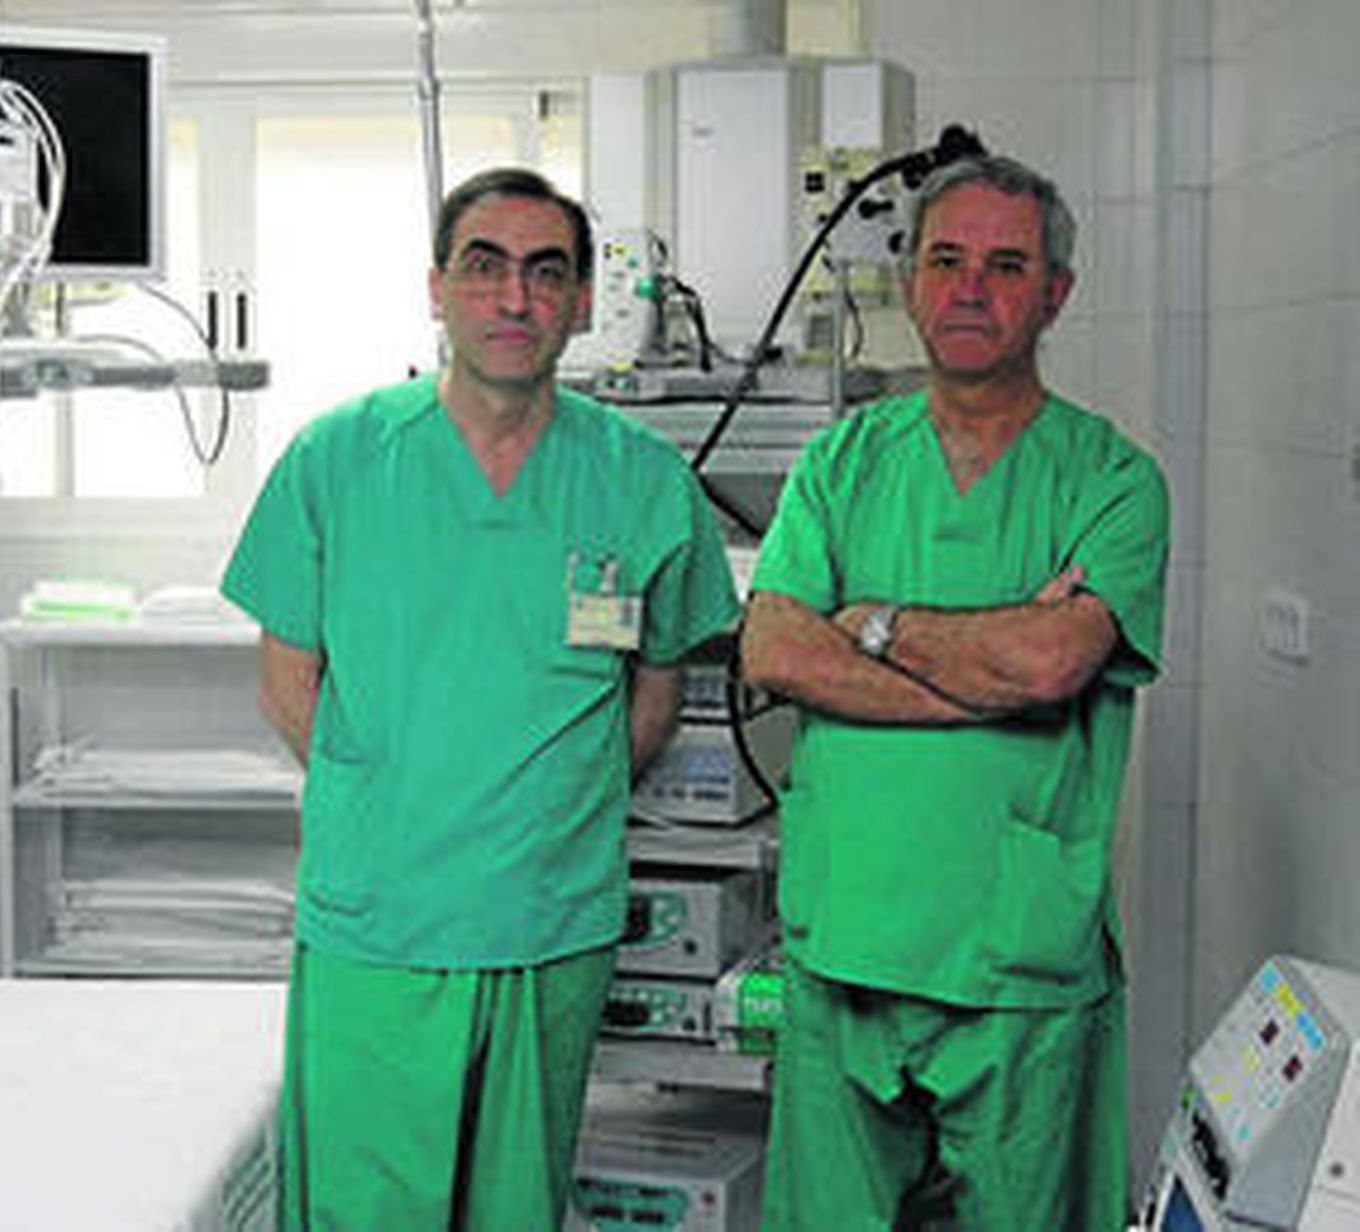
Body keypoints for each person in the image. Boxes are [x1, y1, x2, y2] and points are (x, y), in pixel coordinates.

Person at [220, 166, 739, 1232]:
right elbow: (286, 686)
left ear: (582, 302)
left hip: (551, 923)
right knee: (366, 1214)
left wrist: (554, 811)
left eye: (546, 273)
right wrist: (398, 805)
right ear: (437, 288)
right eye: (484, 267)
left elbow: (655, 694)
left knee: (515, 1210)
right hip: (381, 924)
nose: (514, 298)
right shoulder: (340, 458)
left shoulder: (640, 479)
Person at [740, 153, 1170, 1230]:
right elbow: (775, 648)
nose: (970, 287)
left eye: (1005, 265)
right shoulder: (841, 463)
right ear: (909, 282)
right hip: (846, 940)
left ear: (1055, 293)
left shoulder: (1113, 480)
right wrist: (985, 678)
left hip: (1015, 962)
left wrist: (876, 624)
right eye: (945, 260)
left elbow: (1052, 663)